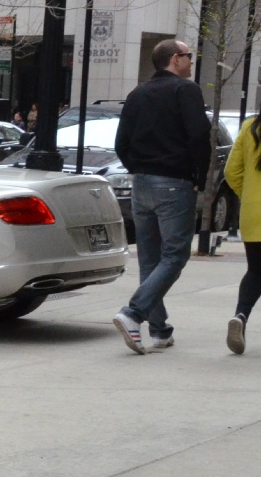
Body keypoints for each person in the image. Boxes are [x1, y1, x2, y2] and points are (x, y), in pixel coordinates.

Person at [111, 38, 212, 353]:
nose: (191, 61)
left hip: (141, 183)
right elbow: (199, 134)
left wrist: (138, 168)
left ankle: (159, 329)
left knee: (150, 259)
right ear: (175, 59)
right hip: (174, 182)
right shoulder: (186, 90)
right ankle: (133, 313)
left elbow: (121, 143)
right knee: (175, 256)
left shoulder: (137, 94)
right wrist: (199, 175)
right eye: (188, 56)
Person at [223, 111, 261, 353]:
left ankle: (241, 315)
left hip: (253, 213)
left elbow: (231, 172)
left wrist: (246, 195)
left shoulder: (250, 127)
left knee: (256, 271)